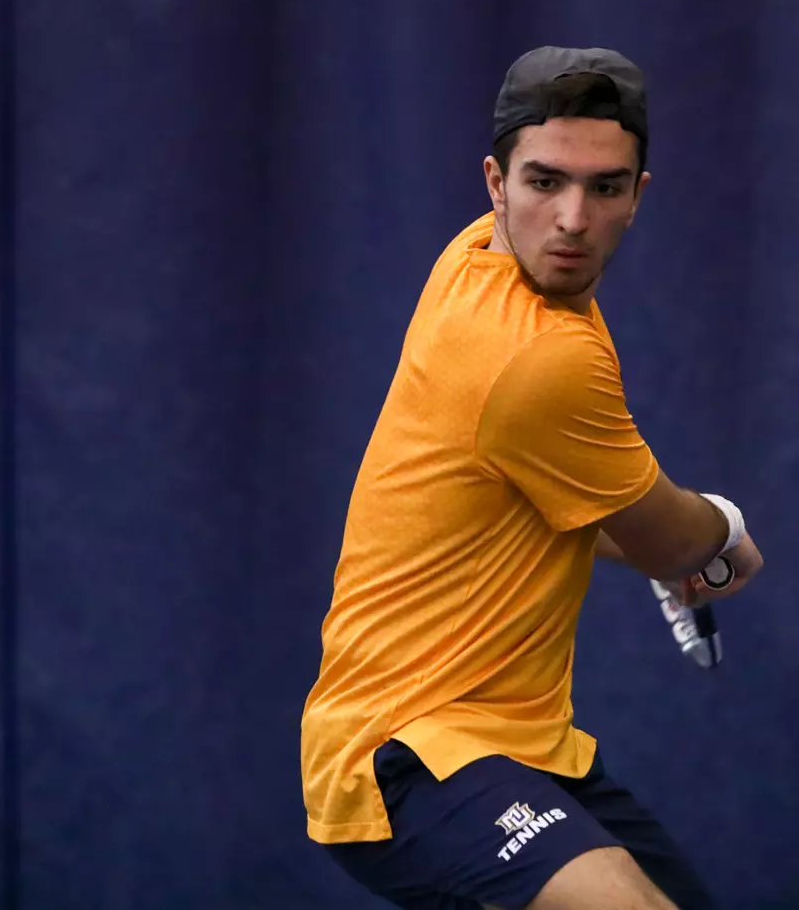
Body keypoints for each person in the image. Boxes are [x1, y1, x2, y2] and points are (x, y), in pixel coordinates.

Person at [300, 46, 765, 910]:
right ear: (494, 182)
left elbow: (560, 513)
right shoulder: (539, 360)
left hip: (525, 746)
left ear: (639, 196)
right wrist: (724, 537)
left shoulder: (476, 253)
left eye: (605, 188)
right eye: (544, 182)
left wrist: (659, 544)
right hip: (402, 755)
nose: (573, 218)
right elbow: (675, 538)